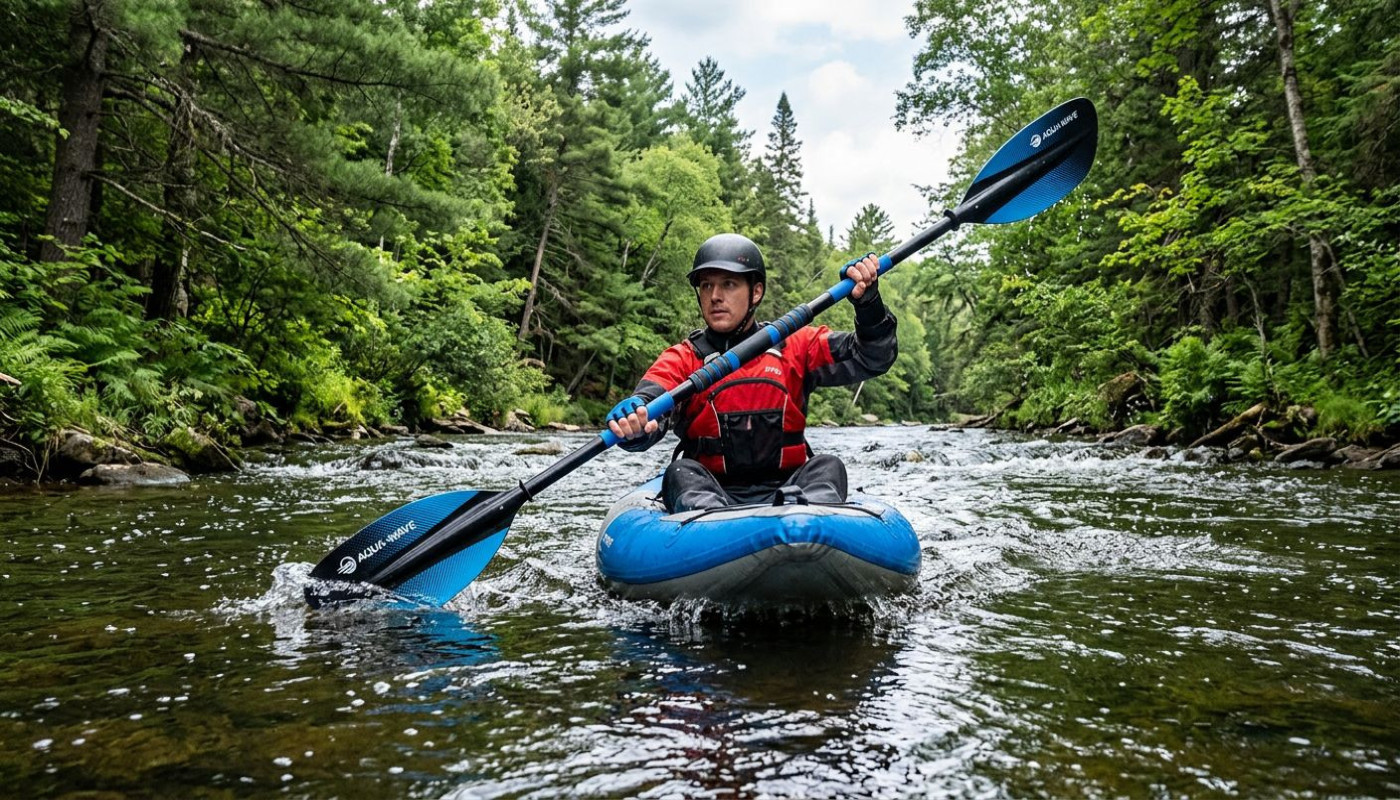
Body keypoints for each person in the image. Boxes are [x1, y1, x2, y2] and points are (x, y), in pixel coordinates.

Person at [606, 232, 897, 513]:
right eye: (706, 286)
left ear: (756, 291)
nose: (715, 296)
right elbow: (650, 401)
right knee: (681, 472)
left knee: (828, 466)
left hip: (790, 490)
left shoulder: (796, 346)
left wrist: (868, 304)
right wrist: (636, 418)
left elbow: (872, 358)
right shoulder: (684, 358)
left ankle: (804, 527)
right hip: (710, 492)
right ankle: (720, 535)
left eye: (729, 284)